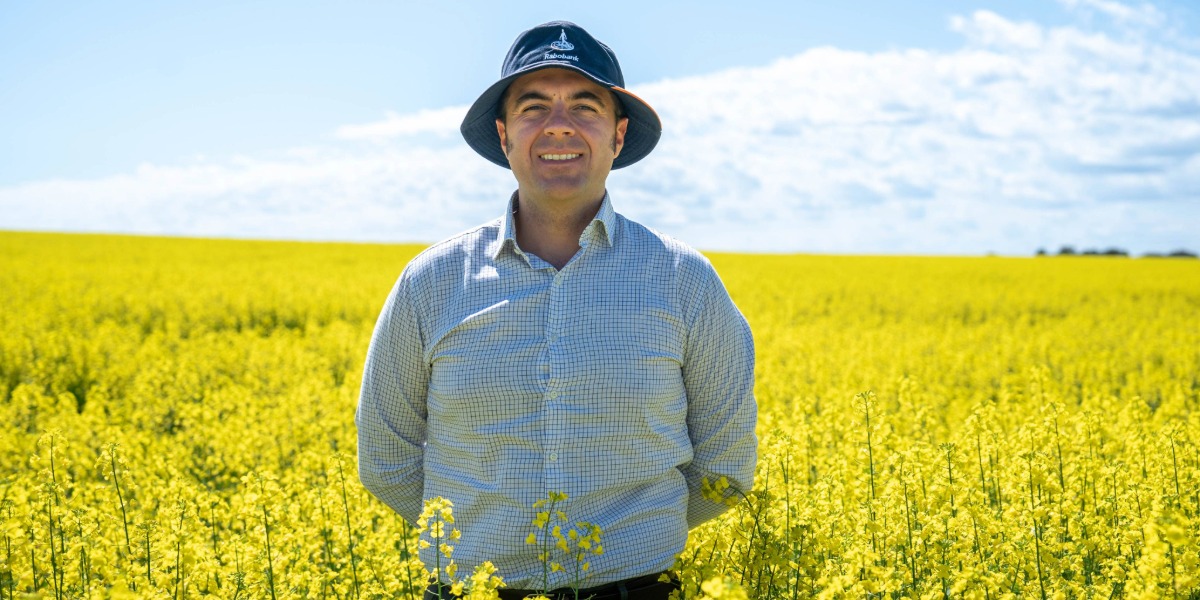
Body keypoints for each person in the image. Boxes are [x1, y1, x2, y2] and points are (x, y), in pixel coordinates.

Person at [356, 21, 757, 600]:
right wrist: (480, 545)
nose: (559, 125)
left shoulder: (684, 281)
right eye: (534, 106)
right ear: (504, 135)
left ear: (618, 136)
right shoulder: (431, 282)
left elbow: (726, 466)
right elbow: (386, 459)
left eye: (585, 106)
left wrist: (628, 548)